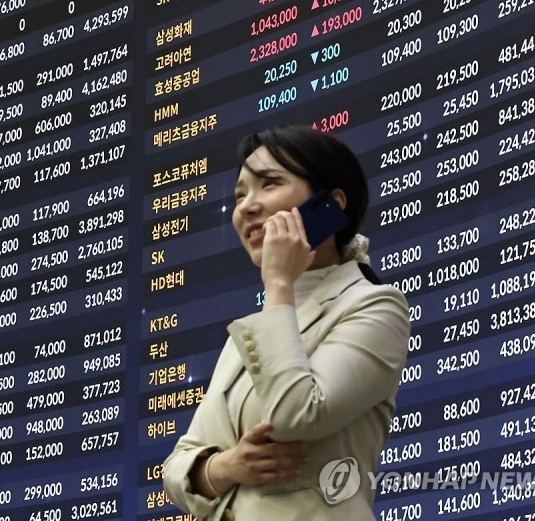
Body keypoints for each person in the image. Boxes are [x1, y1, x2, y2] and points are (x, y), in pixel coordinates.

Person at [163, 125, 410, 520]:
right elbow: (176, 467)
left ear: (330, 205)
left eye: (269, 183)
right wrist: (227, 467)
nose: (246, 207)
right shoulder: (255, 331)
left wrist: (279, 283)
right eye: (240, 195)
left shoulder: (374, 306)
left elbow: (296, 415)